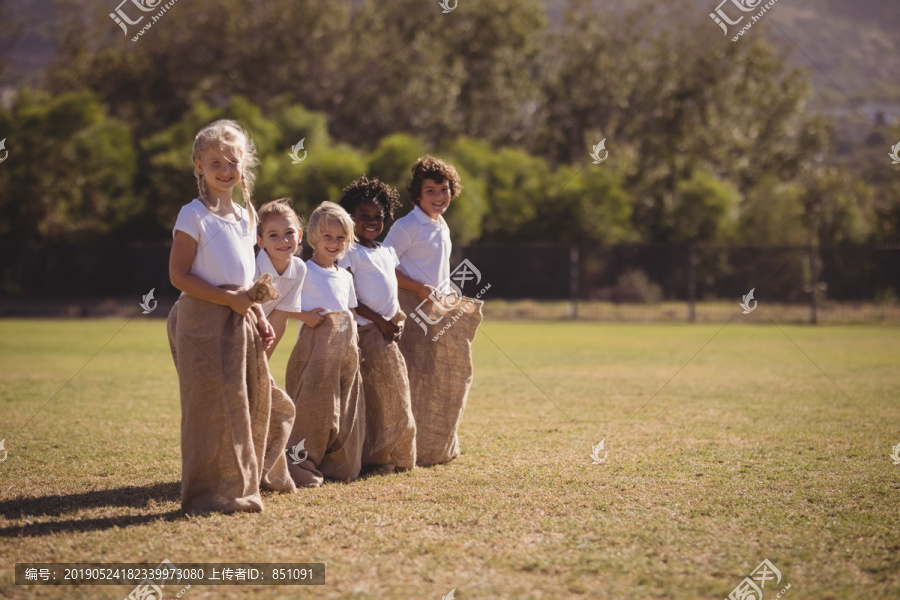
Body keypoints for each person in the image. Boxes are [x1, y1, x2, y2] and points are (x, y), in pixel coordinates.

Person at [167, 119, 295, 514]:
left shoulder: (246, 216)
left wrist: (255, 313)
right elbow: (179, 276)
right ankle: (206, 496)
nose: (225, 170)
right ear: (198, 166)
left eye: (233, 162)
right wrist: (232, 300)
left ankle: (238, 488)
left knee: (242, 405)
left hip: (239, 321)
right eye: (215, 162)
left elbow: (244, 279)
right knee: (209, 409)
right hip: (201, 321)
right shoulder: (193, 215)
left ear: (244, 166)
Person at [384, 156, 484, 467]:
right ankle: (401, 448)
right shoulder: (407, 226)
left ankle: (433, 447)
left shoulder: (442, 225)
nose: (439, 197)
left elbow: (438, 270)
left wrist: (450, 294)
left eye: (444, 189)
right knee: (413, 375)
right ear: (417, 195)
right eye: (430, 191)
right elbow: (385, 266)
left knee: (444, 374)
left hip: (436, 309)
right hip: (410, 309)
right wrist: (416, 288)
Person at [338, 176, 416, 473]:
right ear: (350, 218)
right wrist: (380, 321)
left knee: (389, 396)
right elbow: (350, 297)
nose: (371, 222)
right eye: (363, 216)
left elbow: (389, 288)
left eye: (378, 217)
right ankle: (377, 459)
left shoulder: (385, 251)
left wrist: (393, 319)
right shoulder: (349, 251)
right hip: (367, 332)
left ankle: (388, 456)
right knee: (384, 397)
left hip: (388, 331)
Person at [284, 202, 365, 487]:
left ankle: (337, 464)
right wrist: (304, 316)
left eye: (341, 237)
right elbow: (282, 303)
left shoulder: (345, 276)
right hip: (314, 351)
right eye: (327, 236)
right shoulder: (303, 271)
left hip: (343, 352)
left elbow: (350, 310)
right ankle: (300, 462)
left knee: (340, 406)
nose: (334, 243)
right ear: (313, 238)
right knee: (313, 405)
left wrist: (353, 331)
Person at [254, 198, 307, 357]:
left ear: (299, 235)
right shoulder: (251, 267)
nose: (283, 240)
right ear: (260, 241)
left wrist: (263, 363)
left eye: (289, 232)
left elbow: (280, 319)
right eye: (273, 235)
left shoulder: (299, 268)